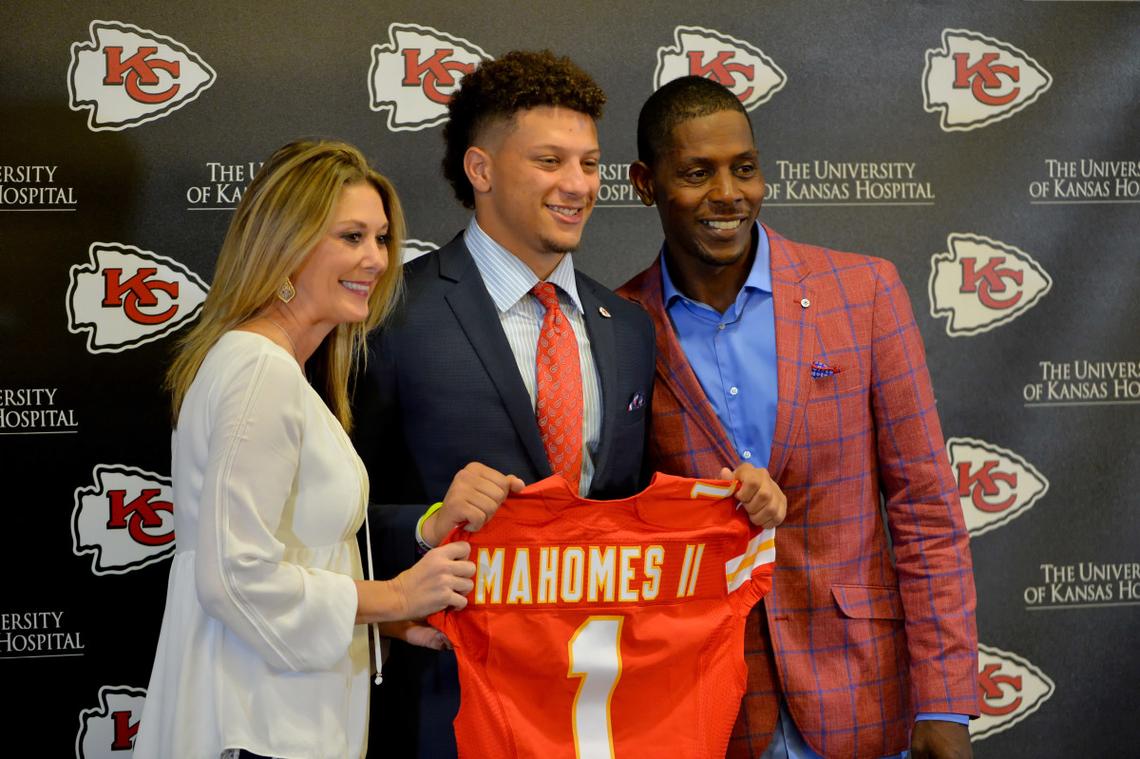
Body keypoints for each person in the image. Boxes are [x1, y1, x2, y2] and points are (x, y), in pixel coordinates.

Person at [618, 76, 979, 759]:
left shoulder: (863, 292)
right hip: (707, 712)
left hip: (864, 696)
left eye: (744, 168)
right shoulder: (620, 328)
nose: (728, 193)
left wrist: (945, 699)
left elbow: (926, 506)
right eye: (697, 172)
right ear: (645, 182)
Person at [350, 50, 663, 758]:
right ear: (481, 169)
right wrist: (427, 523)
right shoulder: (386, 314)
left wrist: (731, 501)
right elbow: (326, 520)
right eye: (550, 161)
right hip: (446, 698)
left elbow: (635, 506)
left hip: (596, 705)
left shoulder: (630, 327)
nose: (578, 185)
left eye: (588, 163)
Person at [134, 140, 477, 759]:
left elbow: (289, 560)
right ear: (285, 248)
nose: (375, 258)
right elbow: (234, 578)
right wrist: (396, 594)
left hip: (278, 718)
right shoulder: (257, 370)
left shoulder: (273, 368)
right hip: (252, 727)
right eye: (350, 237)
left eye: (379, 238)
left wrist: (380, 620)